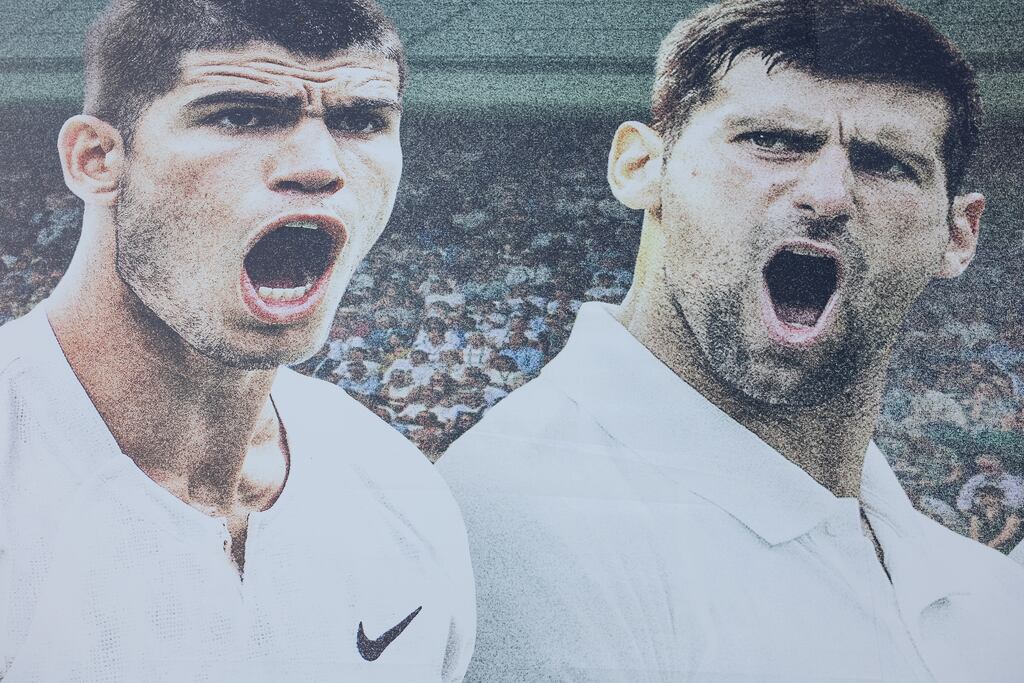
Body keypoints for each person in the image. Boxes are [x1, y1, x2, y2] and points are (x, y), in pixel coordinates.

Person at [439, 0, 1024, 680]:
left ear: (958, 234)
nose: (828, 195)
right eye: (772, 140)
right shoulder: (523, 512)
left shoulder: (983, 590)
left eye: (886, 163)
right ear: (641, 167)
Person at [0, 1, 474, 680]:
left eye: (362, 121)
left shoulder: (398, 488)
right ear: (97, 158)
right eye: (241, 116)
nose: (318, 166)